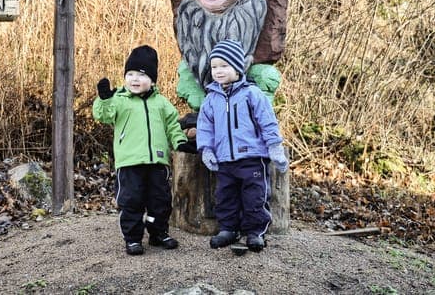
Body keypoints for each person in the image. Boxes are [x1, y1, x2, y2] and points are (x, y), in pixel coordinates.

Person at [92, 45, 190, 255]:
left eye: (141, 75)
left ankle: (158, 232)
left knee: (160, 201)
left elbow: (173, 125)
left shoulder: (161, 103)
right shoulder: (119, 99)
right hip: (130, 162)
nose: (135, 79)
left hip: (157, 162)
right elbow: (103, 116)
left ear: (153, 80)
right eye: (130, 74)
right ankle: (133, 238)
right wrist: (104, 98)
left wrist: (179, 141)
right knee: (132, 201)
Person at [196, 39, 288, 252]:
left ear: (237, 67)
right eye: (214, 67)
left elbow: (267, 121)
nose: (218, 71)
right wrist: (207, 149)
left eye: (224, 66)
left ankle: (255, 232)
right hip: (225, 159)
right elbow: (205, 127)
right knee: (225, 196)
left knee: (254, 197)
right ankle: (228, 228)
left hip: (252, 158)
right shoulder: (211, 99)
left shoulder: (251, 94)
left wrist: (274, 146)